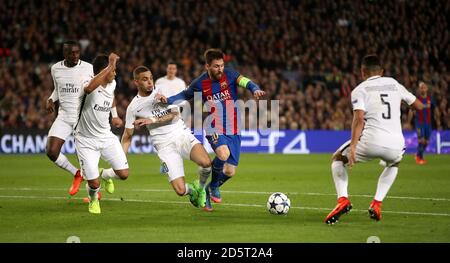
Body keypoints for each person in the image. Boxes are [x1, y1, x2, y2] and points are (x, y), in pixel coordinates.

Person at [157, 48, 265, 211]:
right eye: (216, 66)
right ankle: (214, 186)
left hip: (234, 127)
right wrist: (167, 100)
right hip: (214, 124)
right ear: (207, 66)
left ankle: (207, 190)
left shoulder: (230, 74)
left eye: (221, 65)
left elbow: (246, 82)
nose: (220, 69)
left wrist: (255, 88)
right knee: (223, 154)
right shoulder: (200, 83)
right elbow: (185, 95)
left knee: (229, 171)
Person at [325, 54, 425, 224]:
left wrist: (354, 146)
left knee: (337, 158)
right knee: (394, 163)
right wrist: (408, 114)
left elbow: (359, 119)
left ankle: (343, 200)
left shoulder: (359, 90)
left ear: (362, 72)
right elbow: (418, 106)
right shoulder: (394, 83)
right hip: (396, 143)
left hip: (371, 140)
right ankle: (377, 203)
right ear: (382, 71)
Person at [121, 66, 211, 208]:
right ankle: (192, 190)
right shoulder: (133, 107)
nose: (150, 82)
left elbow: (175, 114)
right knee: (181, 191)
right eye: (145, 79)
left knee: (206, 163)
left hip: (181, 134)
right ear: (136, 82)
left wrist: (152, 120)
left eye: (151, 78)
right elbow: (127, 136)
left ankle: (200, 187)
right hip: (163, 145)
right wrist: (121, 160)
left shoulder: (161, 93)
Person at [74, 53, 129, 214]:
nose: (115, 73)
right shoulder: (86, 82)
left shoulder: (112, 84)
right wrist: (110, 64)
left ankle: (105, 174)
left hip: (106, 136)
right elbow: (89, 88)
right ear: (104, 70)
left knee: (124, 174)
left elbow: (110, 96)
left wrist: (115, 115)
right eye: (113, 70)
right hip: (85, 140)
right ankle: (93, 200)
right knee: (93, 184)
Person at [46, 40, 93, 196]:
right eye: (71, 53)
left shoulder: (88, 67)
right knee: (51, 151)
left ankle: (94, 192)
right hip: (64, 116)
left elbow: (95, 89)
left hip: (81, 118)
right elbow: (57, 89)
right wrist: (51, 99)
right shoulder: (55, 69)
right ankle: (76, 173)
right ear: (64, 53)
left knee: (86, 159)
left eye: (77, 52)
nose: (75, 55)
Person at [154, 61, 188, 173]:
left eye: (173, 68)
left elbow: (183, 99)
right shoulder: (159, 82)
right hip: (162, 113)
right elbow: (155, 98)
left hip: (176, 113)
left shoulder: (180, 82)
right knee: (161, 140)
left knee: (176, 140)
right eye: (169, 68)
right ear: (167, 69)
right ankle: (164, 162)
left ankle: (172, 163)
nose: (171, 70)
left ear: (176, 70)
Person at [408, 82, 437, 164]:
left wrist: (437, 120)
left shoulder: (430, 99)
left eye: (424, 87)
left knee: (426, 142)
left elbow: (435, 110)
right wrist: (408, 122)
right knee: (421, 140)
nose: (423, 89)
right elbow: (411, 110)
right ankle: (419, 158)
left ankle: (418, 154)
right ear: (419, 89)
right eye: (421, 87)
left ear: (427, 89)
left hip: (428, 123)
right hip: (419, 123)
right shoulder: (416, 99)